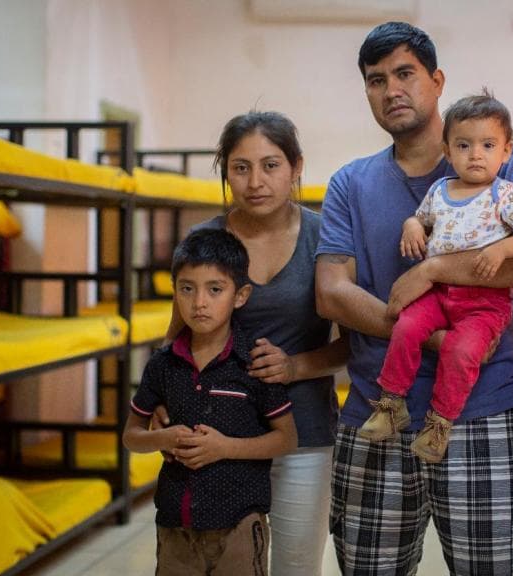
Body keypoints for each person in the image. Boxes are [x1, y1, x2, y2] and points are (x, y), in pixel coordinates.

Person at [315, 21, 513, 574]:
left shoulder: (497, 161)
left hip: (485, 414)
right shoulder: (349, 184)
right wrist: (430, 333)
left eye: (405, 74)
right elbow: (331, 293)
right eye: (376, 80)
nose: (392, 90)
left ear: (436, 80)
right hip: (378, 415)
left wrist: (434, 270)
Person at [155, 111, 347, 576]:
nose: (255, 181)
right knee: (222, 563)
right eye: (240, 168)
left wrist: (294, 367)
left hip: (303, 431)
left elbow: (354, 344)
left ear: (296, 167)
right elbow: (177, 332)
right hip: (216, 434)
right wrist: (160, 399)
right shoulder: (204, 238)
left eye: (271, 165)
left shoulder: (325, 236)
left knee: (296, 566)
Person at [360, 91, 513, 464]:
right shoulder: (440, 190)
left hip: (484, 301)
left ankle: (439, 422)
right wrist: (412, 226)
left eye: (488, 145)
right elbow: (421, 217)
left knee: (461, 351)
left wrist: (501, 250)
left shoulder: (504, 193)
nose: (475, 154)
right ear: (447, 151)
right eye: (464, 145)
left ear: (506, 151)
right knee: (406, 327)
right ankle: (391, 404)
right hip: (439, 294)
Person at [123, 228, 298, 576]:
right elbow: (131, 435)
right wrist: (163, 438)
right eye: (187, 289)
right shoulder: (162, 364)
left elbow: (286, 438)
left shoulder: (254, 362)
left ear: (240, 295)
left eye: (214, 289)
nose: (199, 302)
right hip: (174, 525)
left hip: (239, 525)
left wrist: (223, 447)